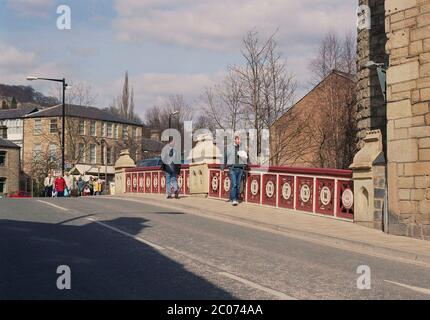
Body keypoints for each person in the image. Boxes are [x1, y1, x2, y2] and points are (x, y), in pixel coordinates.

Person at [222, 134, 248, 206]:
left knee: (238, 185)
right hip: (232, 168)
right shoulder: (229, 147)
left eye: (240, 140)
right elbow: (224, 157)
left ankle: (234, 197)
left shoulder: (243, 148)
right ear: (234, 140)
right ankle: (234, 199)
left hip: (240, 168)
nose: (239, 141)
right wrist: (222, 168)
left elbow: (246, 158)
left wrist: (245, 164)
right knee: (234, 184)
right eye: (238, 139)